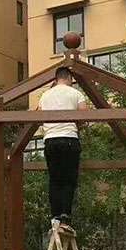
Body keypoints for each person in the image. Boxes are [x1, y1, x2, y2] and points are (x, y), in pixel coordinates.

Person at [39, 67, 88, 227]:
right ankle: (65, 214)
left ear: (56, 79)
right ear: (69, 78)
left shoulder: (45, 95)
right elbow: (84, 116)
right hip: (69, 139)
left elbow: (39, 116)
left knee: (55, 179)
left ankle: (55, 216)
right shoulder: (76, 93)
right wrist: (78, 126)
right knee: (69, 179)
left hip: (50, 141)